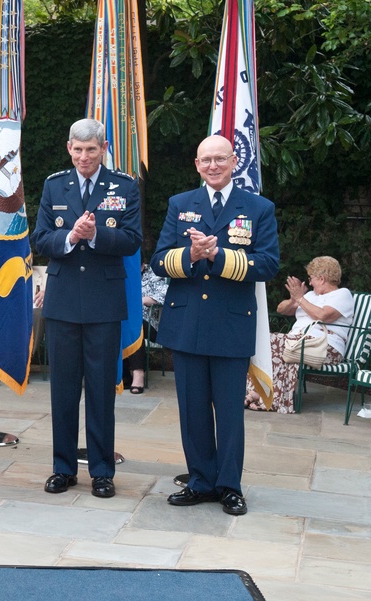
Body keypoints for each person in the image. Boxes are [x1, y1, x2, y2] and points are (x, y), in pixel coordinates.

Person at [150, 134, 279, 516]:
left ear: (234, 161)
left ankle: (229, 486)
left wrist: (220, 255)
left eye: (220, 159)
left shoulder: (258, 208)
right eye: (205, 160)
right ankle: (200, 481)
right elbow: (158, 261)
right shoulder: (180, 204)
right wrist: (190, 254)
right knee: (192, 410)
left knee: (229, 412)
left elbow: (268, 264)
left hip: (231, 324)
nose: (213, 166)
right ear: (196, 164)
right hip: (187, 321)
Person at [30, 118, 142, 499]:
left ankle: (101, 471)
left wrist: (96, 236)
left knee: (99, 391)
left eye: (90, 150)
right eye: (77, 150)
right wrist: (71, 236)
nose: (83, 157)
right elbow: (41, 237)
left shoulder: (123, 186)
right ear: (69, 148)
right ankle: (62, 468)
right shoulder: (53, 184)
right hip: (62, 303)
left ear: (103, 148)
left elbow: (131, 239)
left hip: (103, 304)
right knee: (62, 391)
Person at [245, 256, 354, 413]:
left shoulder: (342, 295)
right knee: (275, 347)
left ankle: (264, 396)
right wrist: (293, 300)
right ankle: (260, 394)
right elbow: (281, 309)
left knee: (271, 341)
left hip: (325, 347)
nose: (309, 283)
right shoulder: (310, 296)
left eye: (312, 278)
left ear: (322, 278)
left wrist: (300, 299)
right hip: (297, 344)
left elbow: (323, 315)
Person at [122, 263, 169, 394]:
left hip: (149, 323)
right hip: (124, 322)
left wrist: (142, 300)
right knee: (122, 325)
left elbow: (166, 294)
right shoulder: (121, 274)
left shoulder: (153, 274)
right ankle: (124, 375)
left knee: (135, 325)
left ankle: (138, 375)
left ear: (142, 266)